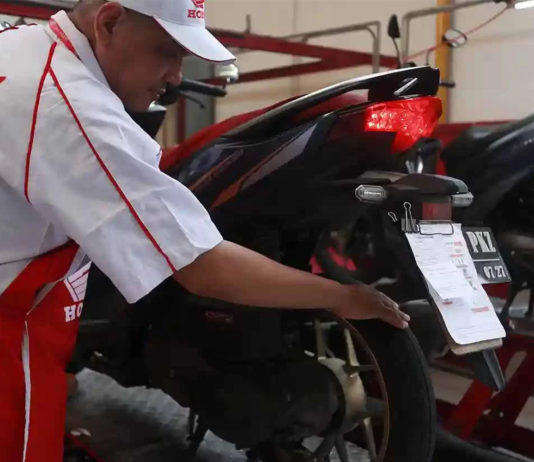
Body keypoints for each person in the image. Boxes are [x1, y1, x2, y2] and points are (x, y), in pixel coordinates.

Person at [0, 1, 409, 460]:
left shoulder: (21, 47)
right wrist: (342, 297)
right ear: (110, 22)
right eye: (167, 52)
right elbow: (201, 265)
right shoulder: (70, 107)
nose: (176, 77)